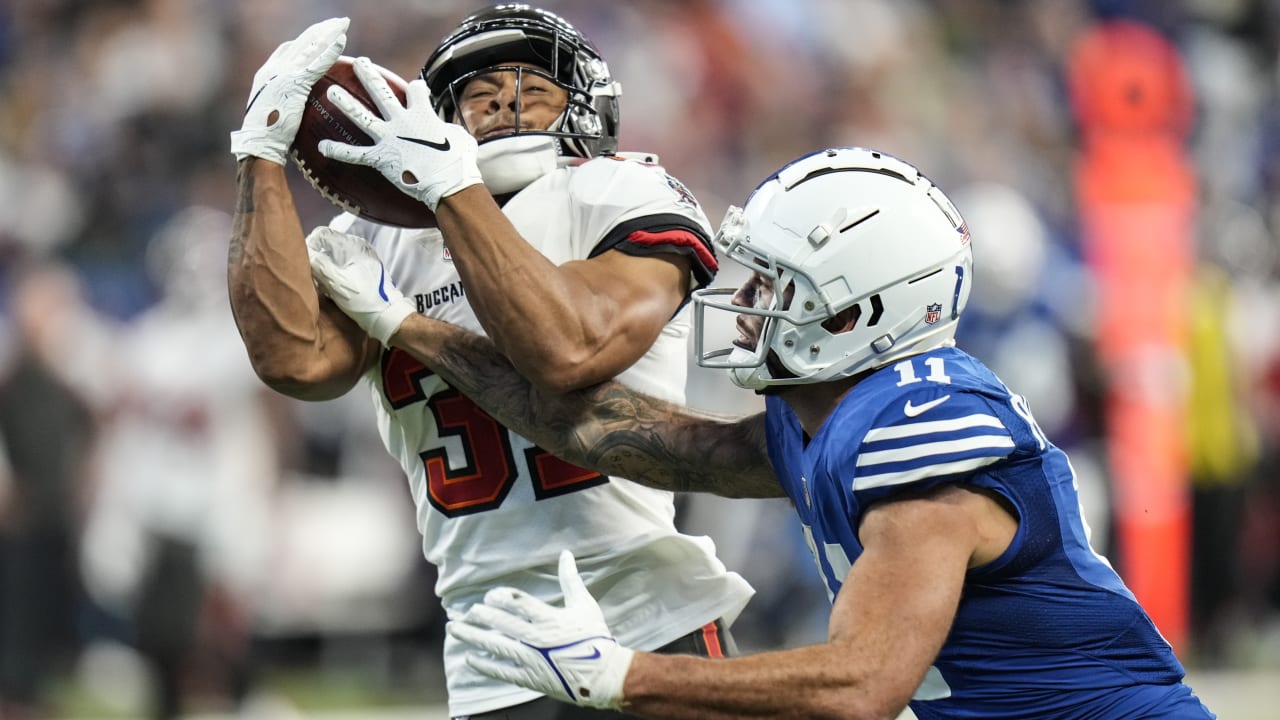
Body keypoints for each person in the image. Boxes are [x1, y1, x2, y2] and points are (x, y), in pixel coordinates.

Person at [305, 146, 1218, 719]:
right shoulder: (824, 417)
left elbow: (860, 686)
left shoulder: (921, 432)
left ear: (861, 311)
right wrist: (409, 329)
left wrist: (624, 675)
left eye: (776, 289)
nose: (740, 307)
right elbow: (604, 430)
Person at [226, 7, 753, 718]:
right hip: (488, 653)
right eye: (480, 97)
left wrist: (450, 196)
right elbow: (292, 360)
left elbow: (570, 350)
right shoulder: (383, 238)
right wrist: (261, 148)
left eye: (533, 91)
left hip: (646, 620)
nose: (506, 106)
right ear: (440, 118)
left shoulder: (616, 192)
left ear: (587, 107)